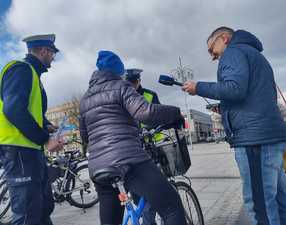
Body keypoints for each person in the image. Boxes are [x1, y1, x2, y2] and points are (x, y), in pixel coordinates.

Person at [182, 26, 286, 225]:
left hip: (256, 140)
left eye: (212, 50)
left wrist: (198, 87)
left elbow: (235, 88)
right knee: (280, 199)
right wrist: (226, 108)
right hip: (269, 136)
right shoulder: (254, 54)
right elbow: (256, 96)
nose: (213, 57)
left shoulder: (233, 52)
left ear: (224, 38)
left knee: (259, 204)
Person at [79, 50, 187, 225]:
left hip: (98, 167)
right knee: (171, 207)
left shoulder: (85, 99)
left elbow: (85, 136)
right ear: (118, 71)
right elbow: (146, 112)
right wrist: (175, 113)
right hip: (128, 161)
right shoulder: (121, 86)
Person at [0, 34, 64, 225]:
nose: (53, 57)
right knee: (29, 215)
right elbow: (13, 109)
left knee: (43, 207)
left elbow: (27, 109)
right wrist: (45, 139)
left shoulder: (32, 74)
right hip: (19, 150)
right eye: (52, 53)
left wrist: (46, 125)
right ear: (44, 51)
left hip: (29, 150)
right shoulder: (21, 69)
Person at [125, 68, 164, 225]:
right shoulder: (122, 97)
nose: (132, 86)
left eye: (134, 82)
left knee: (150, 197)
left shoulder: (149, 95)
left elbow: (159, 114)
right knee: (139, 198)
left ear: (139, 81)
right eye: (129, 83)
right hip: (131, 150)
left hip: (151, 147)